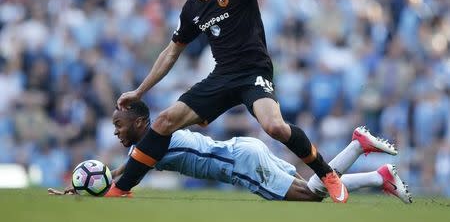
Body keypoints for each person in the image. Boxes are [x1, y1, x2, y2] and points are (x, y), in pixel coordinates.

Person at [111, 0, 362, 202]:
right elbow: (171, 52)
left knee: (275, 127)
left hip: (253, 72)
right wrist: (140, 91)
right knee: (164, 122)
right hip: (222, 76)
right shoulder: (192, 9)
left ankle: (327, 174)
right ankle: (120, 189)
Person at [48, 101, 412, 203]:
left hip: (242, 165)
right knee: (314, 188)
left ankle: (358, 144)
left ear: (140, 122)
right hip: (244, 150)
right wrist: (84, 186)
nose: (115, 131)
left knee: (313, 196)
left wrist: (92, 190)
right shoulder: (151, 143)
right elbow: (123, 172)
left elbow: (122, 182)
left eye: (119, 125)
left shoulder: (150, 143)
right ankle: (378, 176)